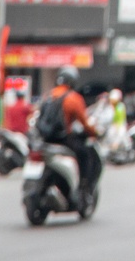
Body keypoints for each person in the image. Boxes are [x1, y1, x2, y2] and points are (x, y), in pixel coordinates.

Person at [38, 66, 101, 202]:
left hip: (45, 140)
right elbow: (85, 123)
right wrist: (95, 133)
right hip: (62, 140)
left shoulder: (47, 96)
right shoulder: (73, 98)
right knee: (85, 155)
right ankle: (83, 188)